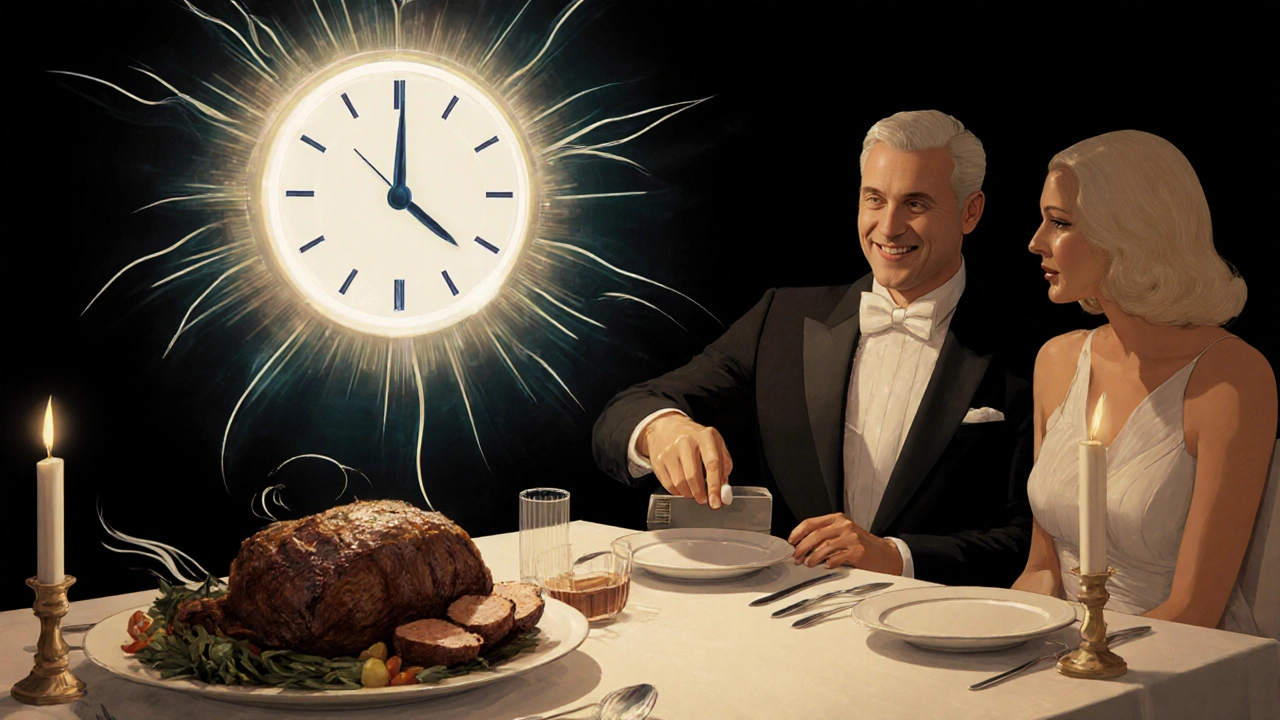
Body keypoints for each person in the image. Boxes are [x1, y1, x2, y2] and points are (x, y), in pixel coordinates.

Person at [592, 110, 1036, 587]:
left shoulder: (1032, 352)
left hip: (947, 636)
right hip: (788, 627)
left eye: (916, 204)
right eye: (874, 200)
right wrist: (662, 430)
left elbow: (1029, 541)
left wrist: (894, 556)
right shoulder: (781, 319)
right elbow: (623, 414)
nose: (888, 227)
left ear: (971, 211)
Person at [1012, 130, 1277, 632]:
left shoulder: (1232, 378)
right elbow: (1042, 571)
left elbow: (1196, 609)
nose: (1035, 242)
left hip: (1180, 665)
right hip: (1061, 657)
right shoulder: (1057, 360)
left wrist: (1081, 663)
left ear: (1129, 232)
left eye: (1060, 223)